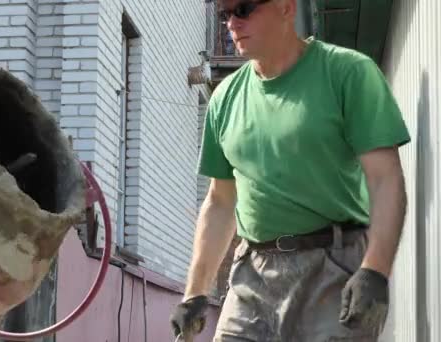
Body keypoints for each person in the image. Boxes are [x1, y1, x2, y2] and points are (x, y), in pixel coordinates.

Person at [170, 0, 411, 341]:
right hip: (253, 276)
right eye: (225, 15)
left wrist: (375, 269)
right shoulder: (224, 99)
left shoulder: (347, 72)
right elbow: (220, 201)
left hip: (333, 268)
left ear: (286, 7)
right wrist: (195, 292)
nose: (231, 24)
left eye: (243, 10)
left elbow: (384, 179)